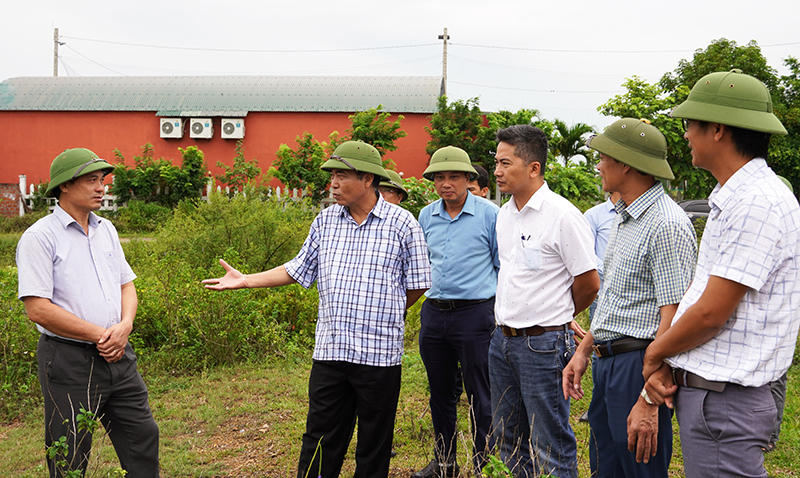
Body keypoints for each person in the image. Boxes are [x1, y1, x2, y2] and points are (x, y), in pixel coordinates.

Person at [203, 140, 431, 478]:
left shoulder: (402, 224)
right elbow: (297, 269)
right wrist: (247, 279)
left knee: (374, 441)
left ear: (368, 179)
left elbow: (417, 283)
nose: (333, 184)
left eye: (341, 175)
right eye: (332, 176)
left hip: (378, 355)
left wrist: (384, 311)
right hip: (331, 351)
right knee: (321, 439)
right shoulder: (325, 222)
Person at [637, 70, 800, 478]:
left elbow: (712, 312)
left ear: (718, 130)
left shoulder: (756, 202)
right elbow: (703, 296)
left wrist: (656, 354)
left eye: (691, 124)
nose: (687, 134)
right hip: (717, 398)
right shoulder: (737, 197)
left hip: (726, 403)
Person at [562, 119, 697, 478]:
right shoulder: (625, 219)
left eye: (603, 157)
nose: (598, 165)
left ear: (625, 163)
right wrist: (584, 350)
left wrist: (651, 391)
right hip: (610, 362)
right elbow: (614, 300)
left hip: (638, 362)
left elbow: (675, 313)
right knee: (606, 465)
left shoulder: (666, 224)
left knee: (639, 464)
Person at [16, 148, 160, 477]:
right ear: (64, 186)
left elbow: (126, 284)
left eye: (102, 180)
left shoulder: (105, 229)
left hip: (118, 355)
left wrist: (124, 326)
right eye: (91, 180)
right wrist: (100, 335)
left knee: (143, 436)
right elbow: (37, 309)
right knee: (69, 451)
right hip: (69, 360)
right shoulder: (39, 237)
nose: (101, 187)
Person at [490, 124, 599, 478]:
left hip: (543, 345)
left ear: (534, 168)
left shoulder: (563, 215)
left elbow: (589, 282)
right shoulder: (504, 214)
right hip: (502, 341)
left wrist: (559, 313)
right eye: (496, 162)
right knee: (507, 438)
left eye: (506, 163)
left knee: (549, 442)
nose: (497, 171)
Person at [412, 146, 499, 478]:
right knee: (440, 392)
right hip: (435, 313)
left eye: (453, 177)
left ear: (468, 179)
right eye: (439, 177)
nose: (446, 184)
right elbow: (421, 265)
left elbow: (500, 264)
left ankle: (484, 463)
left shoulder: (489, 214)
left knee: (481, 392)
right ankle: (444, 461)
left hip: (475, 315)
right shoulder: (426, 215)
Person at [583, 190, 621, 322]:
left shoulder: (638, 215)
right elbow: (586, 253)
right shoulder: (594, 215)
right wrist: (614, 274)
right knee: (600, 341)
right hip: (603, 297)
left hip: (632, 298)